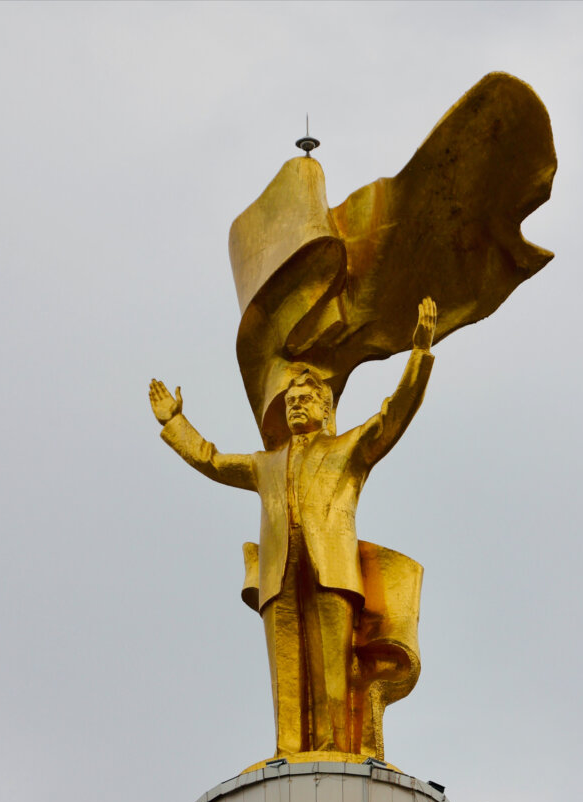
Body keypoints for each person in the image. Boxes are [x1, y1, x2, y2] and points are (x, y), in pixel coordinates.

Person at [149, 298, 437, 756]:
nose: (297, 407)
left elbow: (393, 415)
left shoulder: (349, 450)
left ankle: (333, 745)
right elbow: (214, 460)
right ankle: (288, 748)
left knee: (332, 668)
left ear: (326, 409)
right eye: (292, 401)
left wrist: (419, 355)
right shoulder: (266, 464)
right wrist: (175, 422)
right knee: (286, 671)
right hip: (279, 574)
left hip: (332, 572)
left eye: (307, 400)